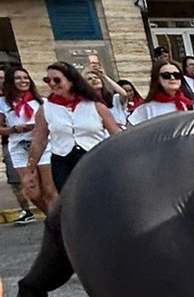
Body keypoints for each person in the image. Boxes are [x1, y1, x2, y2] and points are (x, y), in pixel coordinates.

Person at [27, 59, 120, 197]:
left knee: (100, 197)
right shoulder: (45, 109)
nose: (52, 84)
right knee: (70, 200)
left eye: (57, 80)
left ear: (71, 81)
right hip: (63, 162)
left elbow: (116, 135)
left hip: (94, 160)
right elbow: (39, 142)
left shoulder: (96, 106)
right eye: (48, 80)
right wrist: (30, 170)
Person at [2, 64, 49, 222]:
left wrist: (41, 129)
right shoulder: (3, 103)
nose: (23, 81)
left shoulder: (42, 102)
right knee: (32, 192)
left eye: (25, 77)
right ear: (10, 81)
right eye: (18, 78)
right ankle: (53, 217)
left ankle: (58, 223)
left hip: (43, 146)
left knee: (49, 190)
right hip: (19, 149)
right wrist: (15, 129)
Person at [126, 57, 194, 123]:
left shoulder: (192, 102)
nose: (172, 78)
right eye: (166, 75)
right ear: (157, 79)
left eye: (177, 75)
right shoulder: (146, 109)